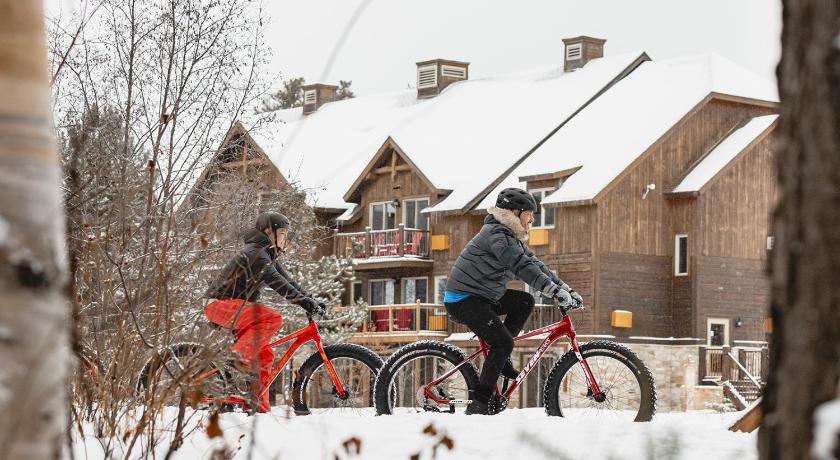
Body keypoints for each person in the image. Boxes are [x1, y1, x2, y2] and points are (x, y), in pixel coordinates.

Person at [444, 188, 583, 415]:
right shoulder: (498, 236)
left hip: (483, 296)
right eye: (529, 213)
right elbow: (522, 267)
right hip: (464, 300)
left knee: (524, 301)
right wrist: (551, 290)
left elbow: (536, 265)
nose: (532, 219)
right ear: (515, 213)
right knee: (503, 343)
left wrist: (566, 289)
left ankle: (501, 357)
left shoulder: (509, 236)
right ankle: (479, 405)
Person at [204, 211, 325, 413]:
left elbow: (289, 282)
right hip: (220, 305)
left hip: (237, 308)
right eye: (283, 233)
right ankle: (235, 360)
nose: (285, 238)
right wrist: (304, 303)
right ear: (269, 232)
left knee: (265, 354)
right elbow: (277, 283)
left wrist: (310, 299)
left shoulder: (266, 254)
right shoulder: (256, 254)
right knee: (272, 318)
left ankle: (257, 405)